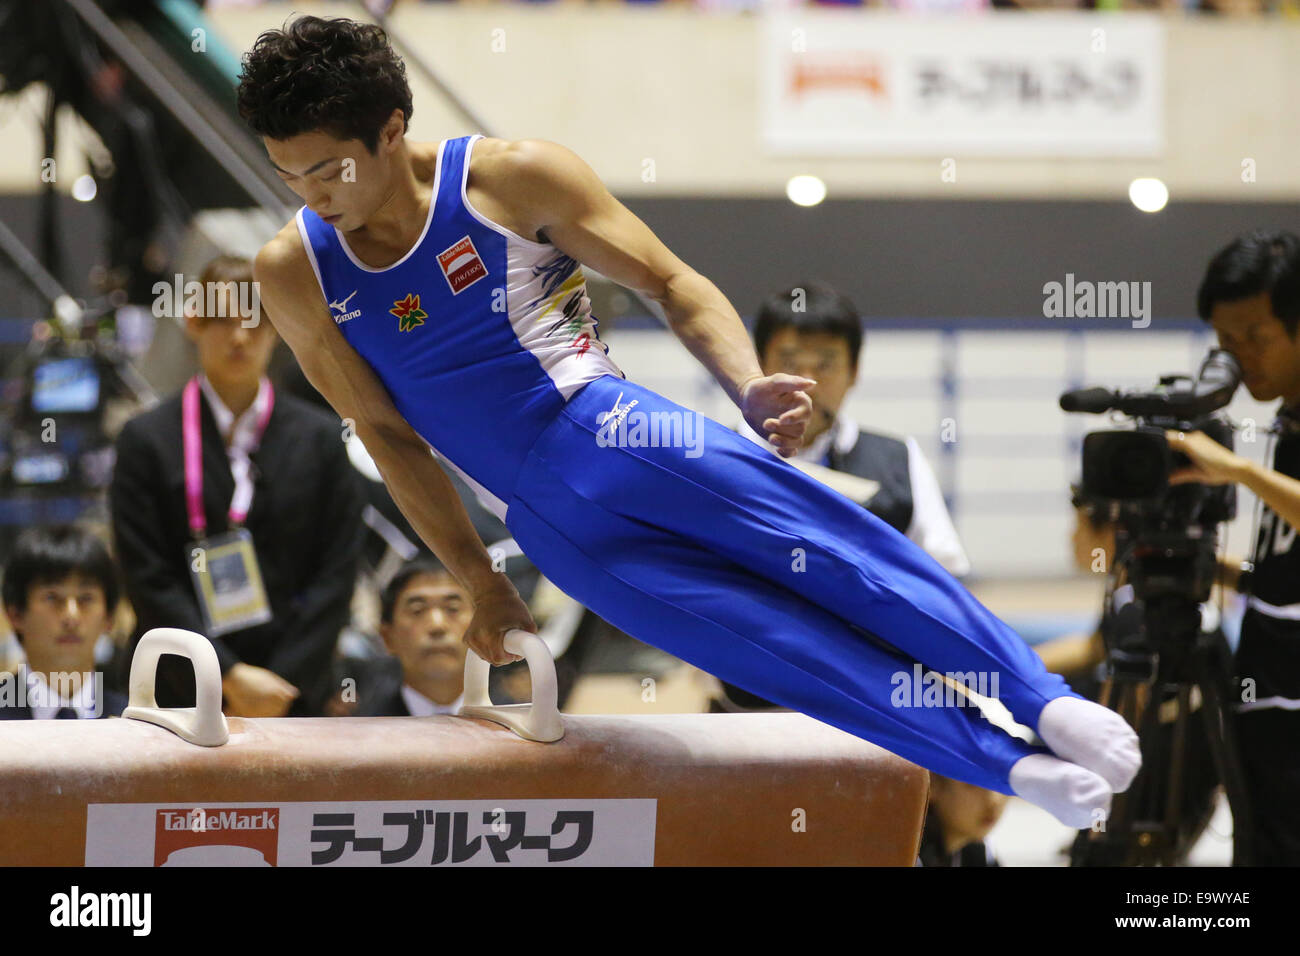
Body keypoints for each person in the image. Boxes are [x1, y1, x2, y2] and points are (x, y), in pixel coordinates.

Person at [237, 14, 1139, 828]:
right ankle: (1012, 768)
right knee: (782, 654)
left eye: (327, 168)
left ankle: (1039, 698)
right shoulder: (294, 272)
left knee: (839, 561)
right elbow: (388, 437)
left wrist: (745, 384)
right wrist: (481, 580)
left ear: (390, 130)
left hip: (615, 432)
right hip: (550, 531)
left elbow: (669, 282)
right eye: (288, 174)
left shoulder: (510, 180)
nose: (311, 193)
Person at [110, 254, 364, 718]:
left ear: (278, 327)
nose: (240, 336)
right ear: (193, 321)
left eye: (256, 319)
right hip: (177, 690)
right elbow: (148, 578)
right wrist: (226, 676)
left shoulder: (322, 438)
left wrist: (281, 685)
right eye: (223, 319)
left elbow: (337, 571)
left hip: (294, 696)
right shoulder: (146, 441)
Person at [714, 281, 971, 712]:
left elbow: (944, 583)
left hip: (873, 713)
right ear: (758, 368)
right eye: (790, 361)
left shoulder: (896, 459)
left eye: (827, 364)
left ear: (854, 372)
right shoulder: (716, 456)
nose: (808, 382)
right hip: (746, 707)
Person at [1165, 229, 1300, 865]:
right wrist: (1210, 566)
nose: (1240, 358)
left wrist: (1239, 472)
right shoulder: (1289, 417)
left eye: (1256, 337)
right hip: (1269, 678)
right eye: (1225, 341)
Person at [0, 525, 128, 720]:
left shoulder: (135, 723)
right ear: (15, 614)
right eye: (52, 598)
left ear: (109, 617)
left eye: (86, 598)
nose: (72, 616)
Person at [916, 774, 1007, 867]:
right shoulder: (908, 852)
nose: (994, 800)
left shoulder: (976, 854)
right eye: (974, 782)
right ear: (932, 783)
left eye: (1003, 784)